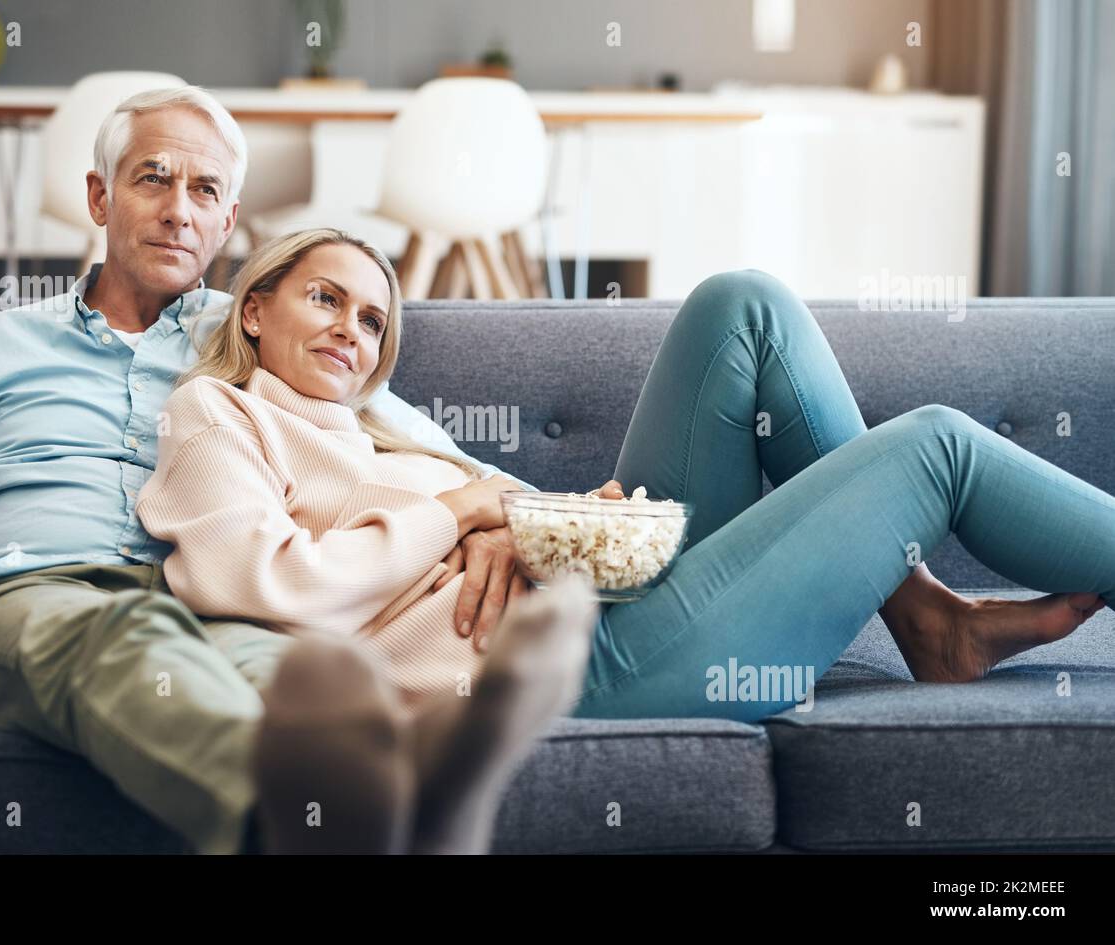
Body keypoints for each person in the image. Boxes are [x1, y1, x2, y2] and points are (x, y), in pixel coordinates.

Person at [139, 226, 1113, 851]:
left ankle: (925, 616)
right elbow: (258, 579)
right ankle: (930, 616)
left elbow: (517, 523)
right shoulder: (218, 417)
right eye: (324, 300)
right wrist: (466, 513)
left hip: (622, 590)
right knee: (933, 448)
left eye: (371, 319)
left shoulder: (386, 435)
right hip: (583, 667)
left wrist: (551, 516)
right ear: (253, 308)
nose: (352, 328)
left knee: (744, 303)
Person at [0, 86, 541, 856]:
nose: (179, 210)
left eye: (205, 190)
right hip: (26, 604)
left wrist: (499, 523)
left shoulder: (272, 330)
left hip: (218, 618)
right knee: (126, 638)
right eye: (152, 178)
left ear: (228, 220)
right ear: (100, 196)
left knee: (301, 685)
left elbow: (460, 468)